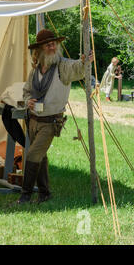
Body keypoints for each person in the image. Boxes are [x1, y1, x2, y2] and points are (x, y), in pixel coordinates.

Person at [18, 29, 94, 205]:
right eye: (47, 44)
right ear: (40, 49)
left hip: (51, 122)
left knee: (32, 155)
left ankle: (25, 196)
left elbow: (78, 69)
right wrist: (28, 101)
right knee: (41, 157)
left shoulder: (63, 66)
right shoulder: (35, 70)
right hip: (33, 120)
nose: (52, 46)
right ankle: (45, 194)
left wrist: (85, 62)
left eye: (54, 43)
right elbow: (26, 91)